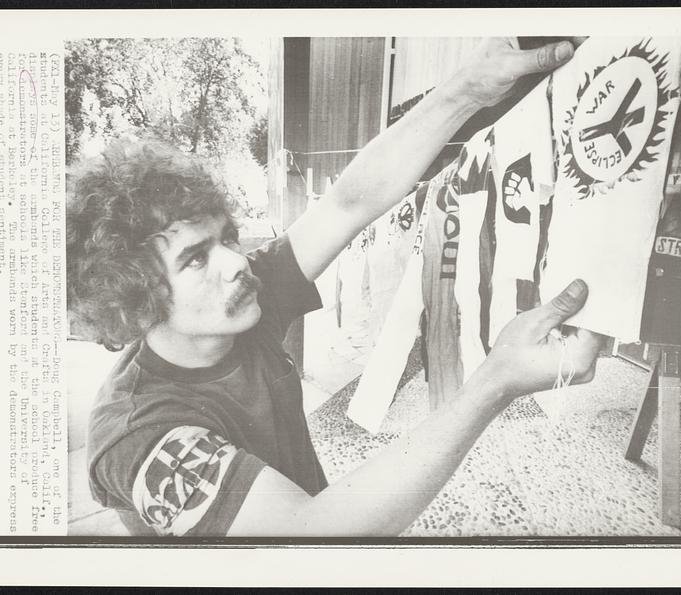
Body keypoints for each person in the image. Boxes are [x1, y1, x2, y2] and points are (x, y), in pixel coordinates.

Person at [67, 37, 603, 536]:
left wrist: (465, 90)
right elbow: (312, 534)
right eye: (194, 259)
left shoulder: (237, 304)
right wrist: (495, 382)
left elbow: (348, 203)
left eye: (226, 238)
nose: (235, 262)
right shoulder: (136, 436)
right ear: (134, 302)